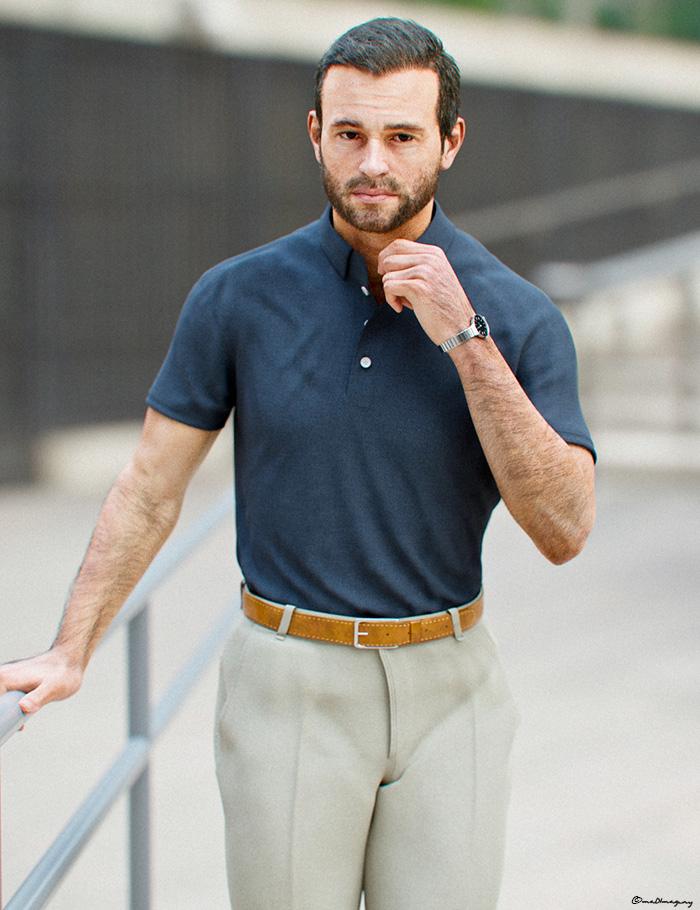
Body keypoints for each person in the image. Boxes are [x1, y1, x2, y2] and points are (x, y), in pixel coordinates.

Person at [0, 17, 595, 910]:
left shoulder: (518, 315)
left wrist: (466, 338)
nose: (373, 163)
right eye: (349, 133)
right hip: (287, 681)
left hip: (454, 687)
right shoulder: (236, 296)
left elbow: (566, 530)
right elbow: (150, 489)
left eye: (402, 137)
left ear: (450, 141)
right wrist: (70, 648)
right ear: (315, 132)